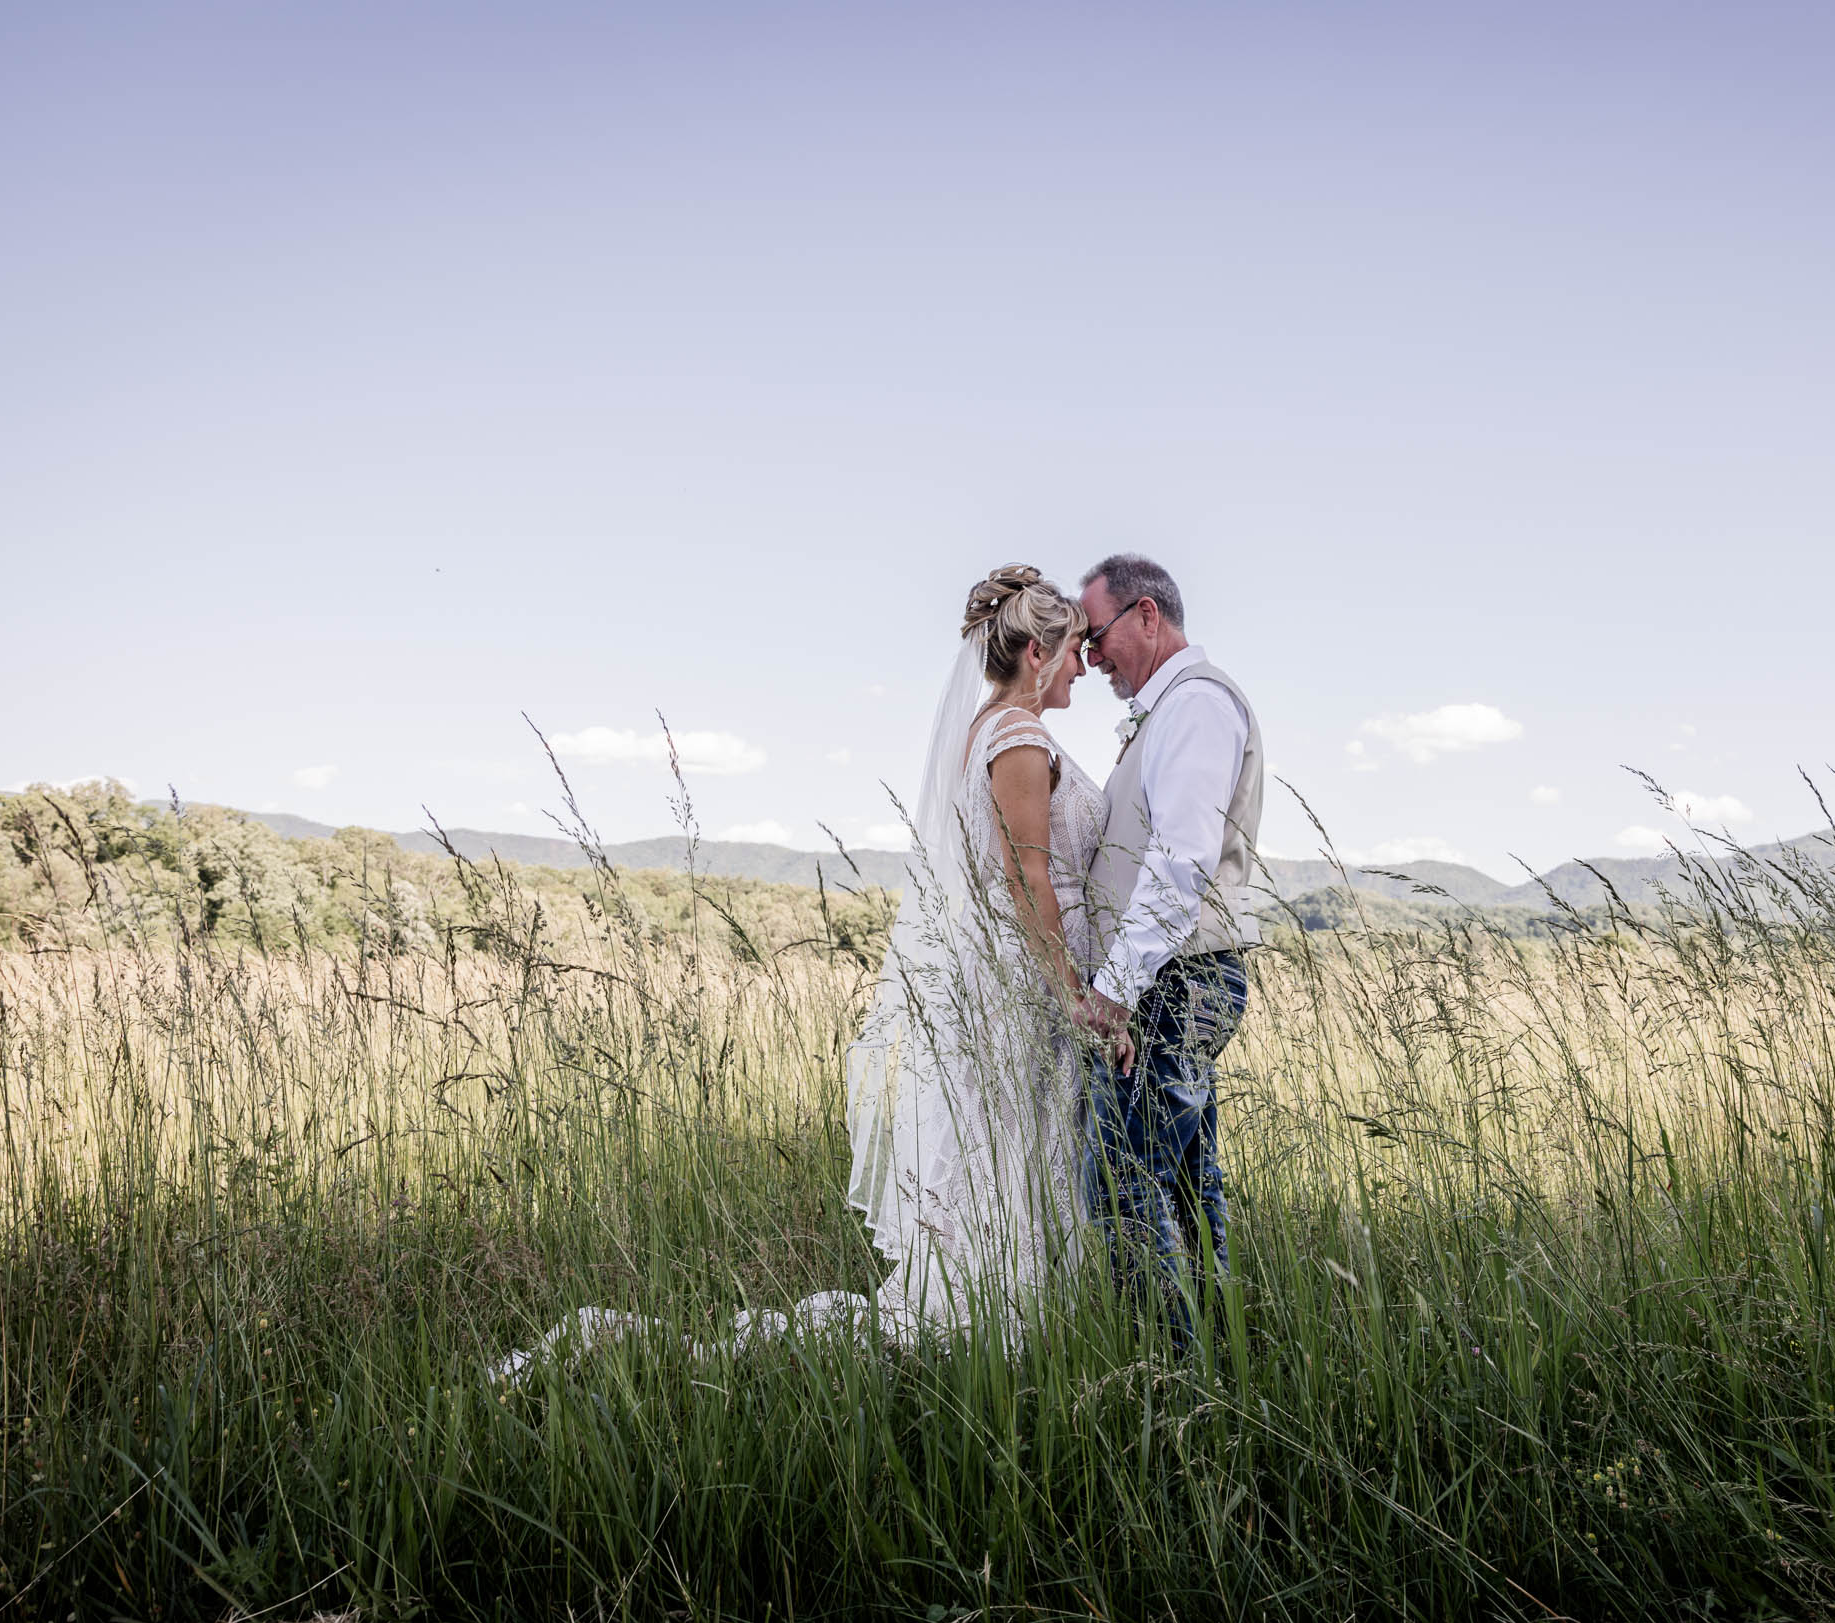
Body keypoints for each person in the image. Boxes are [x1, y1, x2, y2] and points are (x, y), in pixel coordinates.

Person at [493, 566, 1112, 1378]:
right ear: (1037, 650)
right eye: (1073, 651)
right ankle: (998, 1330)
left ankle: (997, 1313)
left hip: (994, 980)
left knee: (1005, 1165)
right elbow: (1030, 878)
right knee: (1013, 1164)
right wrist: (1072, 994)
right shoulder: (1021, 739)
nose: (1081, 667)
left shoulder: (982, 731)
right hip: (1022, 986)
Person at [1071, 554, 1264, 1345]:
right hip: (1176, 978)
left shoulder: (1196, 706)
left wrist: (1114, 988)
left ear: (1147, 615)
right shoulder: (1171, 712)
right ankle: (1221, 1362)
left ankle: (1167, 1383)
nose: (1088, 657)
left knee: (1120, 1178)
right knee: (1187, 1183)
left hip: (1175, 982)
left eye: (1096, 634)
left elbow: (1182, 859)